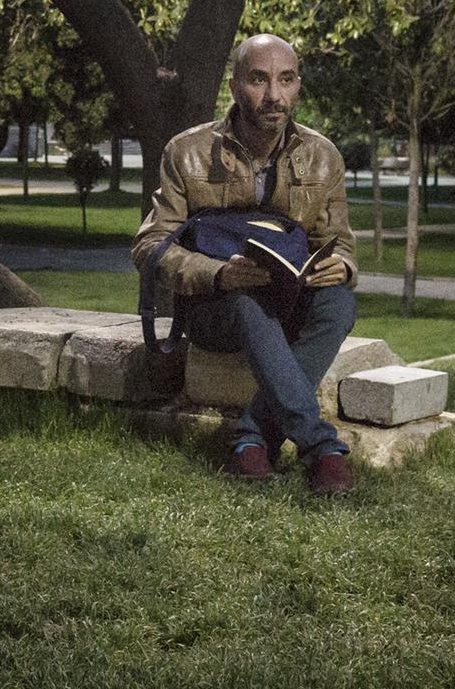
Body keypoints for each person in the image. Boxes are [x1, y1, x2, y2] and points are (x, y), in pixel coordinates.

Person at [133, 34, 360, 496]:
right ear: (235, 86)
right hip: (216, 308)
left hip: (287, 297)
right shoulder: (186, 150)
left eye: (286, 79)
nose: (274, 96)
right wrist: (217, 273)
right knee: (245, 300)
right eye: (259, 80)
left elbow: (341, 244)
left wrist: (341, 267)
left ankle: (253, 436)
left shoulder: (323, 155)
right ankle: (321, 447)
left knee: (338, 304)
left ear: (297, 85)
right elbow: (151, 245)